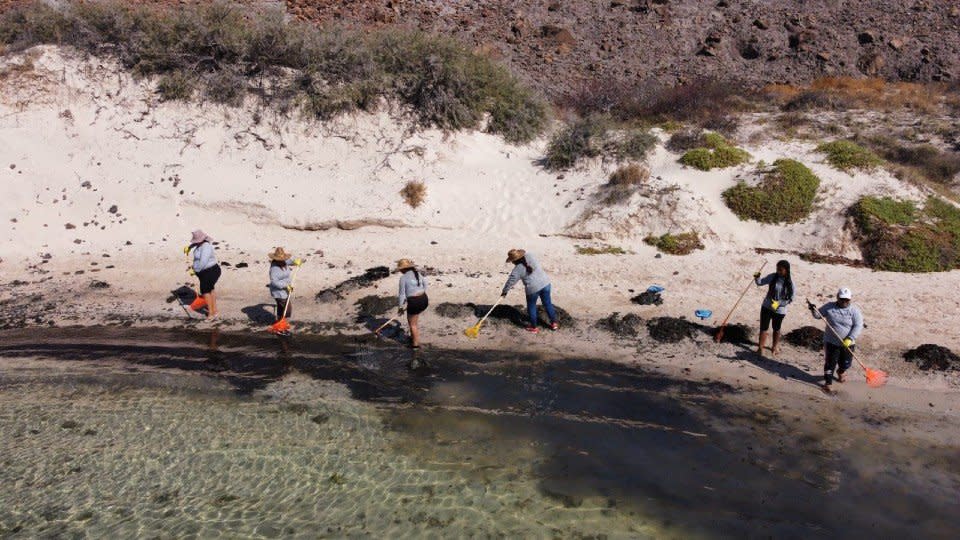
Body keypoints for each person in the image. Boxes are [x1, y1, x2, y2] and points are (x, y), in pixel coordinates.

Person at [808, 287, 864, 389]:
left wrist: (850, 338)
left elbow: (858, 326)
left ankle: (841, 371)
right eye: (842, 299)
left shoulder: (854, 311)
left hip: (848, 343)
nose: (844, 301)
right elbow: (817, 315)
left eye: (846, 300)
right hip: (831, 342)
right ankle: (828, 383)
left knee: (846, 363)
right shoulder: (829, 307)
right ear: (837, 297)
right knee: (830, 363)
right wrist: (813, 309)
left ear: (850, 299)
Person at [501, 249, 558, 334]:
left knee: (531, 307)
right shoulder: (531, 256)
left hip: (532, 289)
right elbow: (526, 253)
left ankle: (534, 328)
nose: (512, 263)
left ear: (514, 261)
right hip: (545, 283)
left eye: (512, 261)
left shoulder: (517, 270)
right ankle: (554, 324)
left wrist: (504, 291)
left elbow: (510, 281)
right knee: (547, 304)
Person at [754, 260, 795, 357]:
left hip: (779, 310)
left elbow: (791, 299)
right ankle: (760, 347)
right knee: (763, 327)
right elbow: (760, 283)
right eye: (777, 269)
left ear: (786, 270)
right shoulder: (772, 276)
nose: (778, 272)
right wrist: (757, 277)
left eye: (780, 270)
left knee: (776, 328)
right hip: (767, 306)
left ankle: (774, 347)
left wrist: (779, 303)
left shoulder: (790, 283)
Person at [185, 230, 221, 320]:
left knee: (205, 292)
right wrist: (189, 247)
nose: (195, 242)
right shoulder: (199, 244)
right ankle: (215, 311)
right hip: (205, 272)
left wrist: (195, 270)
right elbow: (196, 245)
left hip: (210, 271)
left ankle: (211, 314)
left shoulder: (206, 247)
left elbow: (203, 262)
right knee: (210, 289)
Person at [395, 258, 428, 349]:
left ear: (403, 269)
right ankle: (414, 338)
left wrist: (400, 308)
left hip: (415, 302)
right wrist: (418, 294)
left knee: (412, 325)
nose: (400, 271)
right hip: (424, 299)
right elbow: (426, 285)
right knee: (415, 321)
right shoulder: (418, 273)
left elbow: (402, 295)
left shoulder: (403, 278)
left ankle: (415, 346)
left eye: (400, 269)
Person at [268, 247, 303, 325]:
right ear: (276, 260)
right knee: (287, 308)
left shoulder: (284, 261)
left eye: (283, 259)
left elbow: (289, 261)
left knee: (281, 307)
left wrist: (296, 262)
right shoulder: (274, 269)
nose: (283, 261)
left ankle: (279, 322)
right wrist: (285, 286)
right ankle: (283, 323)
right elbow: (274, 282)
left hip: (286, 289)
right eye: (280, 260)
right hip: (278, 292)